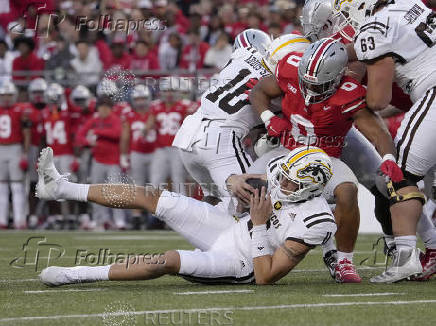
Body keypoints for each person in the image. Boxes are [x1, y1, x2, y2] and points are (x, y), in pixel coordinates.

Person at [36, 146, 337, 286]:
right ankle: (61, 187)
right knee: (152, 197)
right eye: (281, 176)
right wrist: (234, 188)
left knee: (168, 260)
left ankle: (75, 274)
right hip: (229, 226)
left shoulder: (315, 221)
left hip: (243, 262)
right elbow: (237, 181)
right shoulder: (281, 178)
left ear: (310, 188)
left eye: (289, 182)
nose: (280, 184)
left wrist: (258, 225)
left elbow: (265, 277)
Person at [249, 38, 402, 283]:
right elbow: (259, 91)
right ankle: (238, 248)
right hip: (287, 152)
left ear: (338, 77)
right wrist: (268, 118)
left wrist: (388, 158)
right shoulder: (290, 68)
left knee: (348, 190)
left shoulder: (348, 94)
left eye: (318, 86)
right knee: (246, 187)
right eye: (305, 83)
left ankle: (343, 261)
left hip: (325, 160)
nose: (310, 91)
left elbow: (378, 132)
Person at [337, 0, 436, 283]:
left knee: (398, 176)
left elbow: (379, 101)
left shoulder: (373, 27)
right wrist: (338, 53)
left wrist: (353, 96)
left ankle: (408, 257)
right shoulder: (409, 5)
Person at [173, 29, 274, 203]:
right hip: (220, 139)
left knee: (214, 202)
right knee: (255, 199)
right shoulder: (274, 75)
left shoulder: (239, 56)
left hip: (188, 135)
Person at [76, 93, 125, 230]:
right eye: (101, 107)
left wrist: (98, 132)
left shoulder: (114, 119)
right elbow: (80, 136)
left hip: (113, 162)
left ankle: (119, 221)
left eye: (106, 107)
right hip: (97, 160)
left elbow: (117, 133)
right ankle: (101, 220)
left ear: (110, 108)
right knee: (97, 192)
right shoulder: (94, 120)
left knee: (115, 192)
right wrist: (88, 142)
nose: (103, 110)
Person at [120, 84, 156, 229]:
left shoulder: (155, 111)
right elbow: (125, 135)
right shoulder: (129, 114)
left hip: (155, 152)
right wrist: (123, 155)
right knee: (137, 185)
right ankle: (136, 216)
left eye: (143, 98)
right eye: (138, 98)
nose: (140, 102)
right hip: (136, 153)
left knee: (155, 184)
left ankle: (154, 215)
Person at [0, 80, 30, 229]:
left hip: (15, 148)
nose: (6, 98)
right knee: (2, 187)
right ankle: (3, 220)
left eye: (9, 95)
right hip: (0, 148)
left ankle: (20, 220)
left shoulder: (20, 110)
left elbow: (26, 132)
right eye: (3, 95)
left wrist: (25, 153)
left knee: (17, 186)